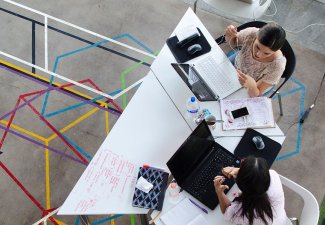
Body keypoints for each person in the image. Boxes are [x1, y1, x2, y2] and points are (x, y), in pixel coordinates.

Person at [214, 156, 287, 225]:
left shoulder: (243, 214)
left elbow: (226, 213)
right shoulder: (273, 175)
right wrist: (238, 170)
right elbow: (256, 177)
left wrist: (219, 192)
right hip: (281, 220)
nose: (242, 161)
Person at [224, 22, 287, 97]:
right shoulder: (251, 34)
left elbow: (256, 95)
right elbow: (233, 42)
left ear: (277, 50)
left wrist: (252, 86)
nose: (258, 55)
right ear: (256, 36)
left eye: (266, 53)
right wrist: (229, 35)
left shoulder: (277, 66)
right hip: (236, 63)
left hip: (254, 85)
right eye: (257, 47)